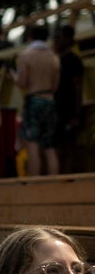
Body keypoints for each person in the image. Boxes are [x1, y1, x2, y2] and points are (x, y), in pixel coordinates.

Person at [12, 25, 60, 176]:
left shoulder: (25, 55)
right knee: (50, 147)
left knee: (32, 145)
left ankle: (34, 184)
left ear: (30, 36)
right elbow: (55, 85)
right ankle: (53, 183)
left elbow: (22, 82)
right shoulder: (54, 57)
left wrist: (13, 77)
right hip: (49, 100)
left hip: (33, 99)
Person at [53, 25, 84, 174]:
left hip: (69, 110)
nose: (55, 41)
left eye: (58, 37)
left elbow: (78, 88)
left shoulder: (73, 60)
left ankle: (69, 179)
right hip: (55, 109)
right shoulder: (54, 60)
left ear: (68, 39)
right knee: (57, 147)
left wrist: (77, 114)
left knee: (69, 148)